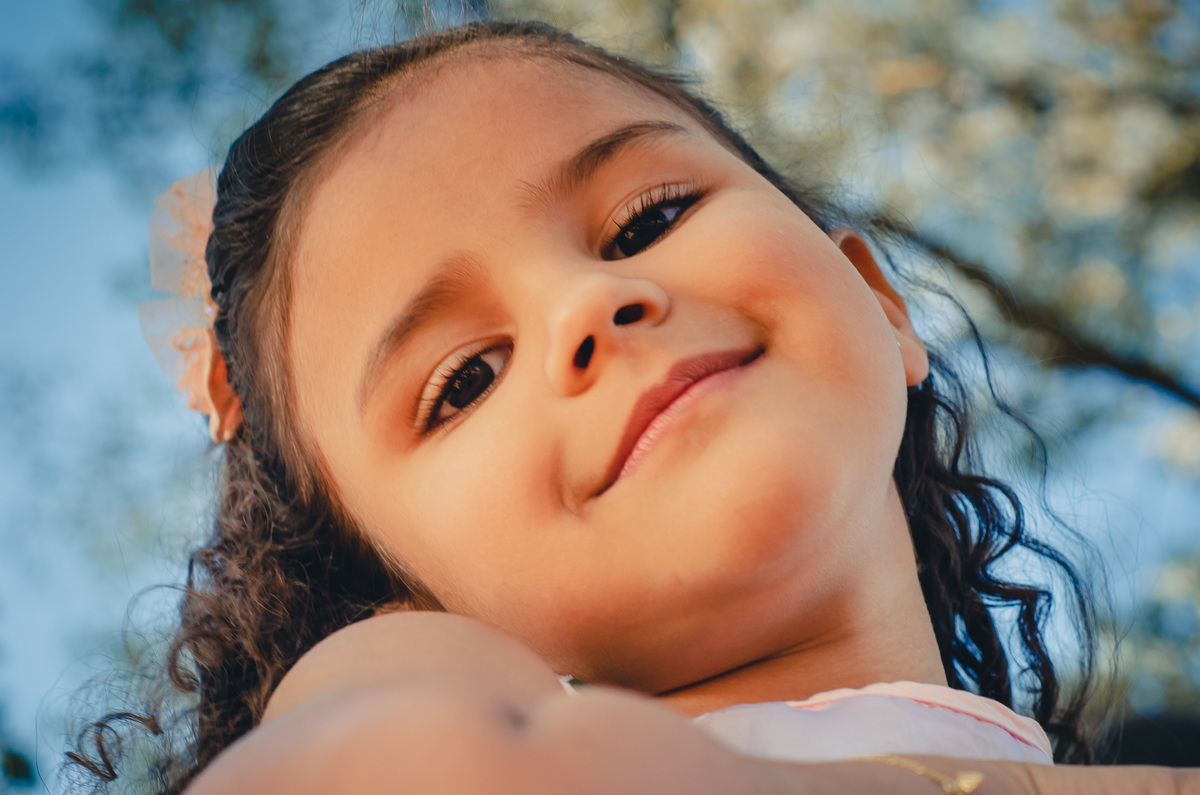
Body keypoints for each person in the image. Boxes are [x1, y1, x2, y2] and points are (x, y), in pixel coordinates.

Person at [66, 19, 1199, 795]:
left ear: (874, 296)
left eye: (646, 219)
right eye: (464, 379)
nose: (589, 306)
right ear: (406, 595)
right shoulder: (421, 693)